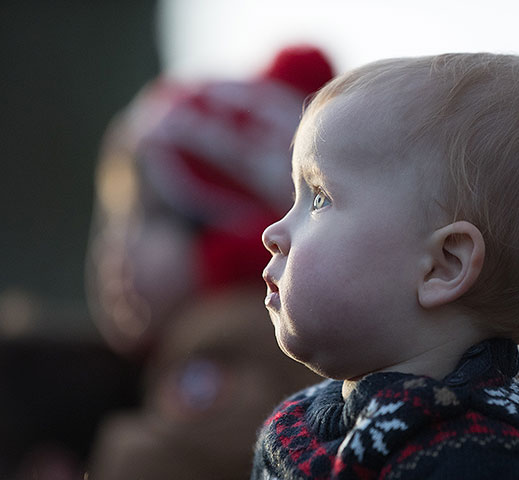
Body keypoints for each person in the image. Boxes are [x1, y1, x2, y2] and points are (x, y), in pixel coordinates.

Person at [252, 53, 519, 479]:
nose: (273, 232)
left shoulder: (485, 458)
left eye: (320, 198)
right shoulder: (304, 424)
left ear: (443, 265)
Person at [85, 45, 334, 479]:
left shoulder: (231, 348)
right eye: (111, 220)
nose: (118, 247)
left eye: (153, 216)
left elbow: (158, 465)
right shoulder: (194, 341)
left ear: (228, 240)